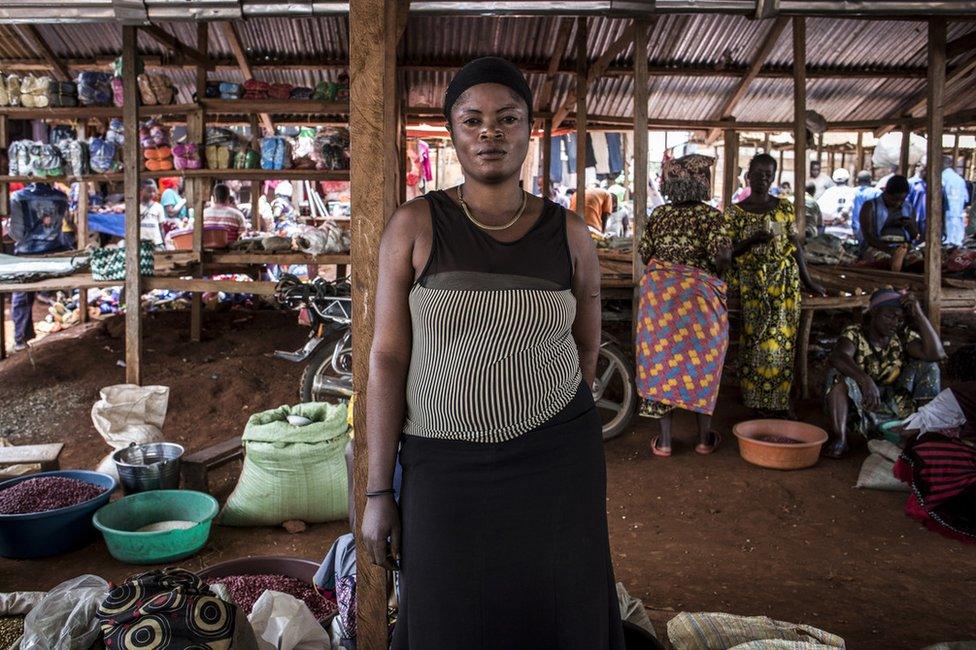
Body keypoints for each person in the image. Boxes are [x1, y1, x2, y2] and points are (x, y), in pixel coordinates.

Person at [360, 57, 625, 649]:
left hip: (556, 461)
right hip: (442, 463)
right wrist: (380, 491)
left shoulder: (569, 233)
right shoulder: (415, 225)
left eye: (507, 119)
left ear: (529, 130)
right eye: (472, 119)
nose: (490, 132)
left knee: (558, 606)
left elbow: (586, 346)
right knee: (446, 612)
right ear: (451, 132)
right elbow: (386, 360)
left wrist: (543, 416)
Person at [636, 154, 731, 457]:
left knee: (662, 361)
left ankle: (664, 442)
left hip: (661, 303)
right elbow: (723, 258)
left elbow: (644, 254)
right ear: (702, 181)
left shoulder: (659, 215)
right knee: (703, 363)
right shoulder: (712, 217)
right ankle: (703, 439)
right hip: (700, 303)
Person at [723, 153, 826, 418]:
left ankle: (779, 402)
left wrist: (808, 280)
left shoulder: (783, 208)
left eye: (768, 174)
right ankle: (756, 401)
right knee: (756, 343)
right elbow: (726, 254)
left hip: (783, 284)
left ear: (774, 176)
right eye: (758, 173)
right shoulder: (734, 213)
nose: (763, 178)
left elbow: (794, 247)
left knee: (782, 344)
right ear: (748, 174)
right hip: (751, 283)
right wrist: (753, 241)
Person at [823, 289, 944, 458]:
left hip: (894, 404)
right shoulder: (855, 333)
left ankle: (925, 428)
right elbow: (838, 356)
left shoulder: (901, 336)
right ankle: (840, 438)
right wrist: (865, 380)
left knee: (929, 366)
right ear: (874, 313)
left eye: (899, 319)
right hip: (861, 404)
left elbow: (936, 354)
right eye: (889, 316)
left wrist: (919, 315)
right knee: (836, 374)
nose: (894, 323)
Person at [7, 183, 72, 352]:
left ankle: (21, 339)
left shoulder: (18, 197)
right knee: (62, 293)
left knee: (22, 297)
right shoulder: (61, 197)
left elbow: (17, 234)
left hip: (27, 254)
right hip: (56, 254)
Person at [858, 175, 921, 271]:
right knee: (882, 259)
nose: (898, 203)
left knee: (917, 259)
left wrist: (909, 225)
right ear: (886, 192)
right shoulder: (870, 206)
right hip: (878, 247)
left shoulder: (908, 208)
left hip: (902, 247)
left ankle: (898, 262)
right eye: (894, 200)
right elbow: (868, 236)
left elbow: (914, 235)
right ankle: (894, 263)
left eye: (902, 200)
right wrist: (889, 250)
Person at [817, 168, 858, 240]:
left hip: (829, 232)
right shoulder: (852, 192)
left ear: (834, 180)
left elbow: (818, 210)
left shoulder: (828, 192)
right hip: (847, 233)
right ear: (847, 179)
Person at [850, 170, 882, 242]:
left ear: (857, 180)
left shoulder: (851, 191)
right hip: (871, 227)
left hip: (855, 227)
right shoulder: (877, 192)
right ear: (870, 180)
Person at [138, 179, 166, 249]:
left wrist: (163, 243)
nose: (152, 194)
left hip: (156, 242)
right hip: (140, 243)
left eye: (154, 191)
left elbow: (161, 227)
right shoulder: (135, 207)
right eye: (149, 191)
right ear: (141, 191)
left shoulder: (159, 207)